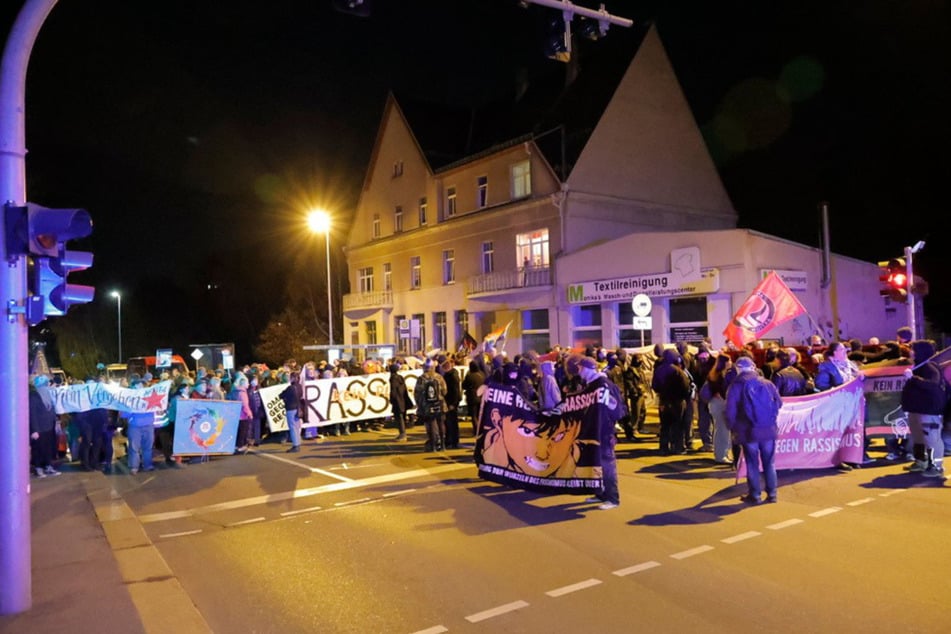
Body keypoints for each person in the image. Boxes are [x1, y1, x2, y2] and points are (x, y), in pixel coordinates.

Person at [565, 354, 625, 510]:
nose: (579, 372)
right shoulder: (591, 385)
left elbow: (616, 409)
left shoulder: (603, 385)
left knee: (607, 465)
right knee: (597, 464)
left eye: (580, 369)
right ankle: (600, 494)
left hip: (604, 431)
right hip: (594, 431)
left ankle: (612, 498)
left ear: (587, 368)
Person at [725, 356, 783, 504]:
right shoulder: (767, 383)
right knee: (769, 463)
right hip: (768, 428)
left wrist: (732, 427)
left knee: (752, 463)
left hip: (748, 430)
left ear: (738, 369)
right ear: (753, 367)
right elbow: (779, 402)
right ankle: (772, 494)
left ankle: (755, 495)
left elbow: (730, 410)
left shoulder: (736, 386)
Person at [900, 339, 947, 478]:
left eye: (913, 349)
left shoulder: (929, 366)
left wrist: (913, 378)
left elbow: (933, 385)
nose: (910, 352)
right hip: (917, 408)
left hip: (929, 409)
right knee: (918, 437)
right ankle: (921, 461)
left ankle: (936, 466)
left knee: (932, 438)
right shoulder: (918, 366)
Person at [651, 348, 692, 455]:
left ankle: (663, 448)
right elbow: (686, 386)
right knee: (678, 425)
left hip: (664, 401)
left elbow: (654, 386)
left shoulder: (659, 370)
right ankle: (677, 447)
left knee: (665, 425)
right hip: (677, 401)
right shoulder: (678, 371)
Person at [122, 376, 157, 474]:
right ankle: (134, 466)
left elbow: (157, 408)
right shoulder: (129, 399)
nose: (140, 387)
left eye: (141, 385)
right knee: (134, 447)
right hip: (135, 426)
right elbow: (124, 414)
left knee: (148, 447)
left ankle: (147, 465)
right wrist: (131, 409)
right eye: (138, 386)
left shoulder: (151, 398)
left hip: (148, 425)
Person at [29, 375, 61, 478]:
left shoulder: (48, 394)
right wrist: (34, 430)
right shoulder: (34, 396)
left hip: (49, 426)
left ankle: (48, 466)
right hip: (39, 428)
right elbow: (32, 414)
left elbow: (52, 409)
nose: (48, 385)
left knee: (48, 448)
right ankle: (38, 468)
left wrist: (56, 421)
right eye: (46, 383)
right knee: (38, 449)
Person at [705, 353, 733, 464]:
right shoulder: (721, 376)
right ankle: (721, 455)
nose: (731, 363)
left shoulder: (713, 374)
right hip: (720, 404)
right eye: (729, 360)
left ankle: (722, 453)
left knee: (720, 429)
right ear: (724, 363)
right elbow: (722, 392)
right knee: (722, 430)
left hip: (715, 404)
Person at [414, 358, 448, 451]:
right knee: (441, 424)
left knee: (431, 424)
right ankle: (443, 445)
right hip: (440, 403)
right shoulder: (439, 377)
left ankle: (433, 446)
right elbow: (445, 391)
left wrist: (419, 404)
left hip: (428, 405)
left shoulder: (422, 378)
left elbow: (417, 393)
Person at [440, 357, 462, 449]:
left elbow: (455, 391)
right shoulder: (450, 374)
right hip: (450, 402)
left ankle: (453, 441)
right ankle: (450, 440)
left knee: (451, 422)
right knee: (449, 422)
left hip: (451, 402)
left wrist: (453, 403)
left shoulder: (452, 376)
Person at [461, 360, 485, 435]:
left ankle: (476, 430)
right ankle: (481, 430)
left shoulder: (470, 376)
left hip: (472, 398)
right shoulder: (482, 374)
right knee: (479, 415)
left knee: (473, 415)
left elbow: (464, 385)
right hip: (481, 397)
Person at [281, 371, 303, 453]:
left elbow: (281, 395)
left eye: (291, 377)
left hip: (290, 409)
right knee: (296, 427)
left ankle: (295, 445)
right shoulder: (299, 386)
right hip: (297, 408)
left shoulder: (290, 388)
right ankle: (298, 443)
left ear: (293, 378)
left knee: (292, 427)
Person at [388, 361, 411, 441]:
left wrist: (392, 399)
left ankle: (402, 434)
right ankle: (402, 433)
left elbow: (393, 390)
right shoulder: (400, 377)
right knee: (402, 416)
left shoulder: (393, 378)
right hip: (403, 399)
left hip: (397, 400)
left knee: (399, 417)